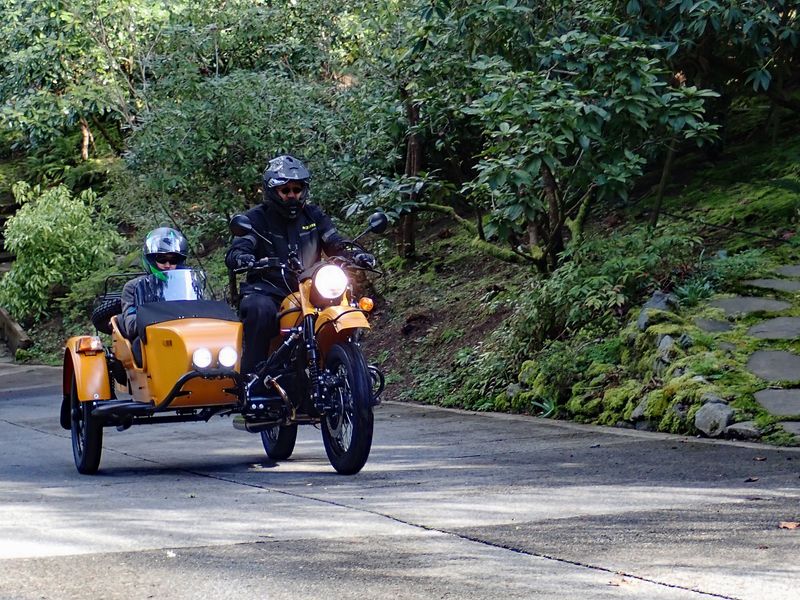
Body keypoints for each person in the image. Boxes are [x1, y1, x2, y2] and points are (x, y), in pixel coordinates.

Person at [225, 154, 374, 374]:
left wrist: (357, 254)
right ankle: (253, 374)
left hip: (311, 289)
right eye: (285, 191)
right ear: (272, 192)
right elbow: (240, 247)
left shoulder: (313, 215)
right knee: (259, 310)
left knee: (343, 305)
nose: (292, 196)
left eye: (297, 190)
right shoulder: (256, 219)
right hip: (269, 290)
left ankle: (342, 368)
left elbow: (335, 242)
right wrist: (243, 257)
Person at [120, 227, 189, 363]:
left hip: (184, 335)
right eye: (162, 259)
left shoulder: (188, 284)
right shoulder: (132, 287)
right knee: (138, 346)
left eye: (173, 260)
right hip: (151, 339)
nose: (168, 265)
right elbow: (131, 326)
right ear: (150, 259)